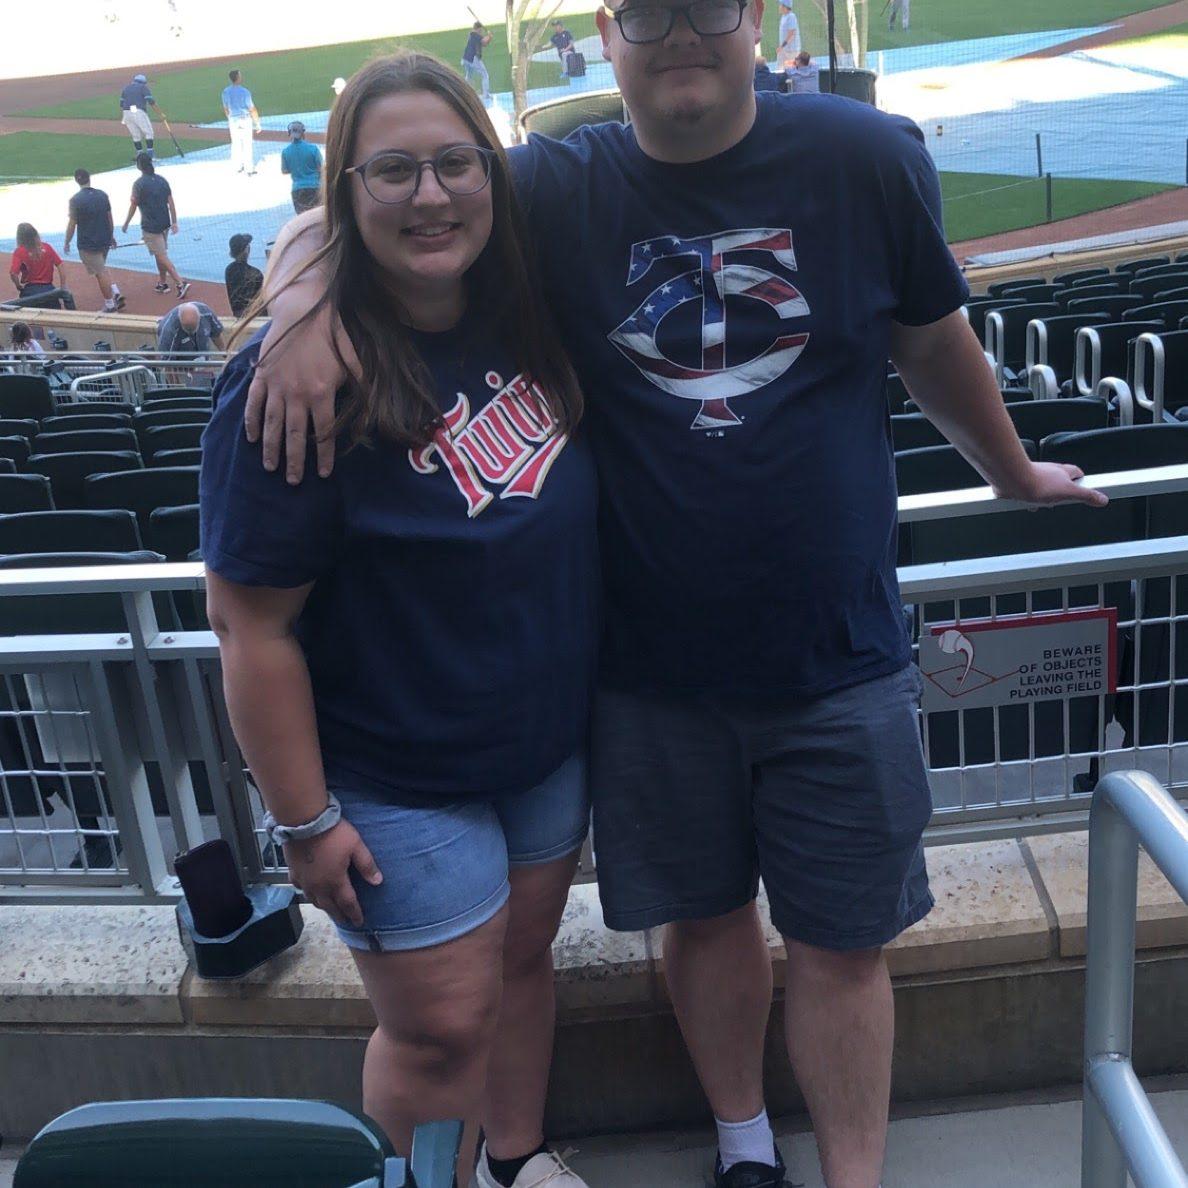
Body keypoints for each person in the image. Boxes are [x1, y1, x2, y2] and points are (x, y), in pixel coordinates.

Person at [243, 3, 1109, 1186]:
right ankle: (744, 1145)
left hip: (839, 655)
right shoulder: (559, 185)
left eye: (710, 4)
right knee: (704, 921)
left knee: (844, 944)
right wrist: (300, 306)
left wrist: (1008, 469)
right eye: (650, 10)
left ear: (755, 18)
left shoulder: (863, 157)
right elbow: (363, 202)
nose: (682, 32)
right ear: (610, 33)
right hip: (649, 675)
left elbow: (932, 339)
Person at [200, 51, 595, 1188]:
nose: (431, 194)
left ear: (492, 174)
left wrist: (299, 279)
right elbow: (250, 627)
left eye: (456, 163)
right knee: (440, 1028)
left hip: (541, 748)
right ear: (348, 189)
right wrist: (305, 820)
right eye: (393, 171)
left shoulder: (524, 304)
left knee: (523, 965)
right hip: (392, 776)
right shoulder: (293, 382)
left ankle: (515, 1160)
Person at [122, 152, 189, 298]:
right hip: (164, 223)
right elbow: (171, 203)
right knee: (160, 254)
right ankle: (162, 283)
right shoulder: (161, 180)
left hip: (150, 226)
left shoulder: (139, 184)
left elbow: (133, 205)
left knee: (161, 255)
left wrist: (126, 223)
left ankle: (179, 282)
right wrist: (174, 222)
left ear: (139, 166)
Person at [64, 169, 124, 312]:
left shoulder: (75, 200)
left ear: (76, 180)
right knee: (101, 267)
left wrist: (67, 241)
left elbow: (72, 224)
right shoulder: (102, 195)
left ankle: (110, 305)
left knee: (100, 272)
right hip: (104, 240)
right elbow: (109, 218)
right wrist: (111, 236)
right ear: (89, 178)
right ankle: (114, 291)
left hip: (88, 244)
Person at [8, 223, 72, 307]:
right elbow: (60, 265)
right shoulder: (47, 247)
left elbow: (13, 273)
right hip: (48, 290)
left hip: (30, 291)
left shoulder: (19, 251)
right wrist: (63, 285)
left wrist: (18, 285)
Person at [222, 69, 263, 175]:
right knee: (247, 144)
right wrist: (257, 123)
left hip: (233, 120)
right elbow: (252, 108)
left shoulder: (225, 91)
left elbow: (225, 108)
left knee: (236, 143)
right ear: (238, 78)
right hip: (245, 120)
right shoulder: (245, 92)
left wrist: (230, 118)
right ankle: (249, 168)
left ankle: (237, 166)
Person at [281, 121, 324, 213]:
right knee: (317, 216)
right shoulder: (313, 148)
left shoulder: (285, 151)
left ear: (289, 133)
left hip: (297, 189)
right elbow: (321, 167)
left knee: (302, 217)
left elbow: (284, 170)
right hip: (315, 187)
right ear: (303, 133)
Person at [157, 301, 226, 355]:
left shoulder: (207, 313)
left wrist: (225, 353)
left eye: (193, 329)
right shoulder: (168, 331)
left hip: (204, 357)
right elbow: (167, 362)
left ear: (199, 318)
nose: (191, 333)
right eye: (188, 330)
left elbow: (216, 334)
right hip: (182, 364)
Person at [119, 72, 157, 159]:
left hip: (126, 112)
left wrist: (124, 116)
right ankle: (150, 154)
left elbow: (121, 103)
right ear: (143, 82)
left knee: (135, 135)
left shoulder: (126, 88)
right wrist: (160, 113)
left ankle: (139, 154)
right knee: (149, 132)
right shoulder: (143, 87)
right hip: (137, 111)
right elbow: (150, 101)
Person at [225, 233, 263, 318]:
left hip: (238, 315)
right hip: (256, 315)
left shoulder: (229, 270)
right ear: (246, 250)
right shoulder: (255, 273)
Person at [462, 21, 493, 103]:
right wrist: (489, 36)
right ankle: (486, 95)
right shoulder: (475, 35)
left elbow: (484, 44)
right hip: (473, 58)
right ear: (478, 29)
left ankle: (464, 93)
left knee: (469, 76)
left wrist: (489, 37)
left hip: (466, 59)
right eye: (481, 30)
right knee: (485, 75)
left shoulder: (472, 34)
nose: (481, 31)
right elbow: (484, 42)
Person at [776, 0, 800, 69]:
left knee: (792, 69)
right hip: (784, 49)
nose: (779, 7)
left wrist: (782, 46)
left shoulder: (791, 17)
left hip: (792, 51)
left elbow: (791, 35)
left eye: (780, 5)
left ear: (785, 6)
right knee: (780, 68)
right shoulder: (783, 17)